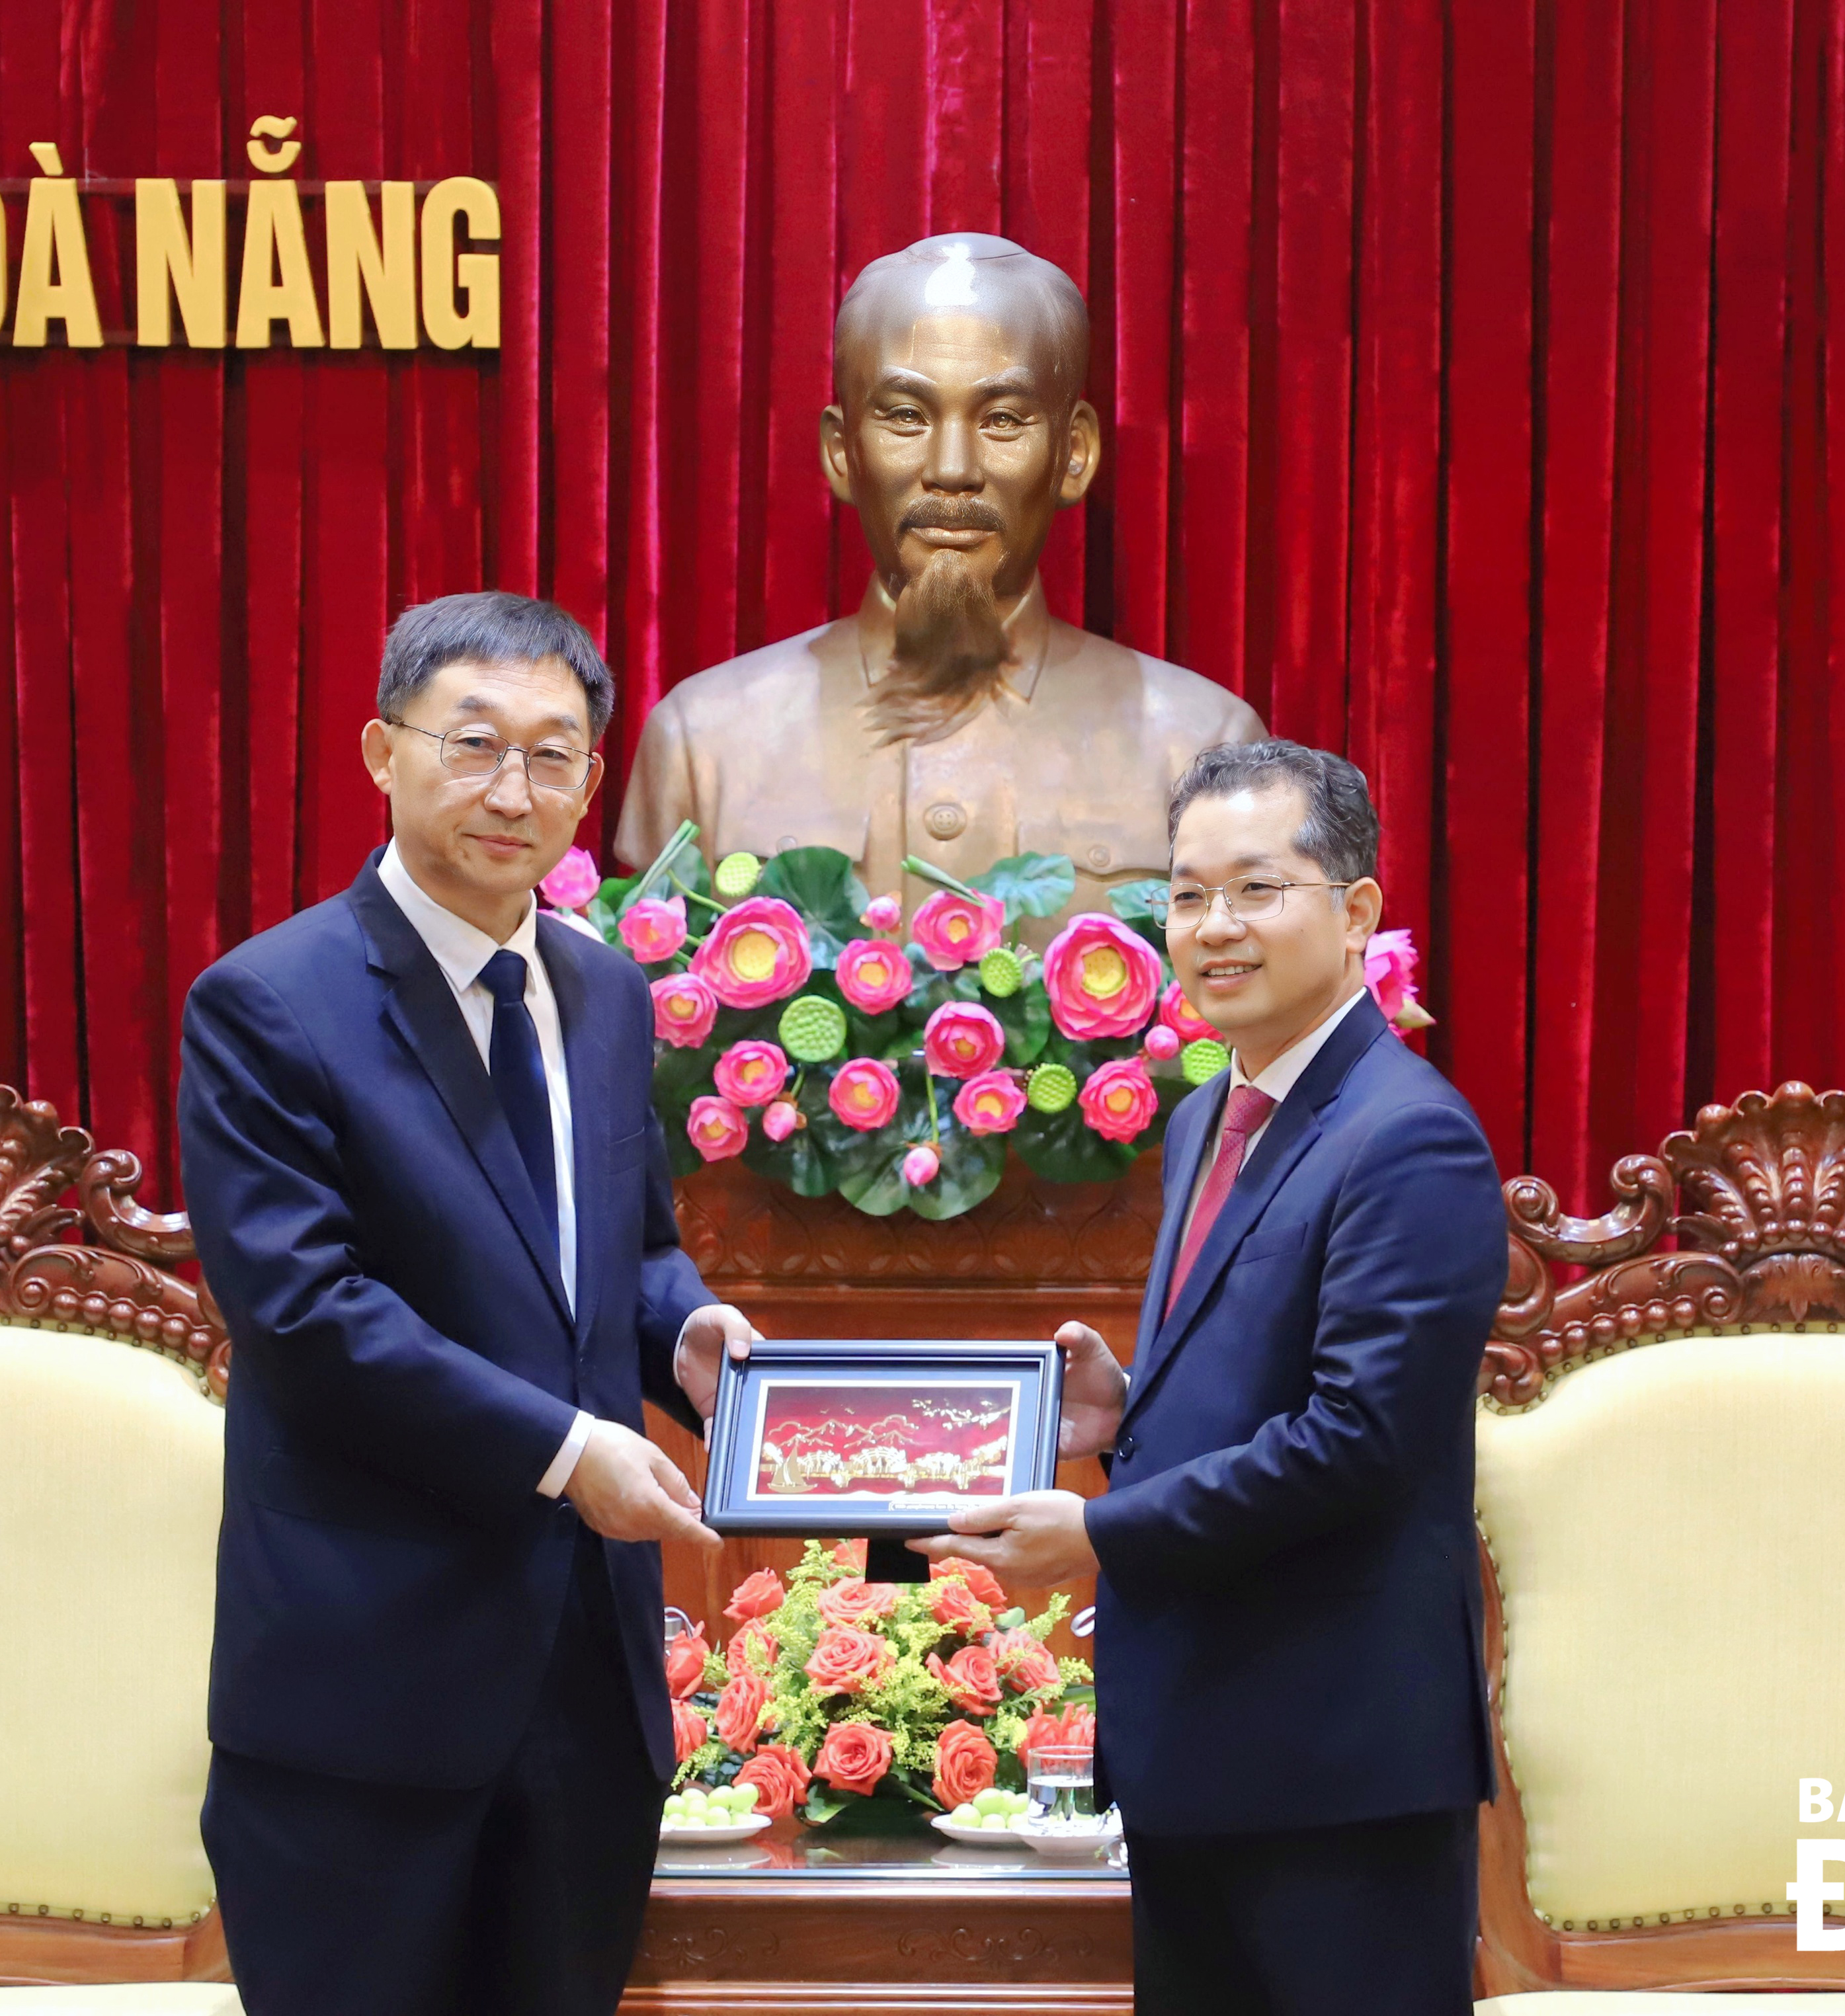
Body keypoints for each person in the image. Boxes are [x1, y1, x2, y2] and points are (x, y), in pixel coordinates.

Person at [178, 590, 761, 2016]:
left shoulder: (609, 993)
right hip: (364, 1696)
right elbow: (309, 1314)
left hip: (583, 1685)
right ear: (383, 750)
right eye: (475, 744)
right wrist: (569, 1452)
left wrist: (680, 1328)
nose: (516, 791)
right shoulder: (269, 1002)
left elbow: (615, 1252)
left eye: (555, 756)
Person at [918, 739, 1506, 2013]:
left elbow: (1357, 1436)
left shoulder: (1407, 1134)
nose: (1211, 926)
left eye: (1255, 889)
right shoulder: (1208, 1110)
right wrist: (1128, 1408)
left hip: (1335, 1761)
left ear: (1353, 914)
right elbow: (1270, 1372)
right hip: (1201, 1741)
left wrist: (1099, 1531)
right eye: (1184, 894)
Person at [617, 231, 1260, 921]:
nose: (952, 467)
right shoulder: (704, 741)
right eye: (905, 416)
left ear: (1072, 454)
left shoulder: (1200, 744)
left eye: (1002, 419)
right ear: (841, 453)